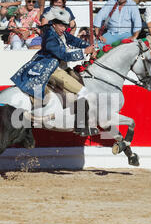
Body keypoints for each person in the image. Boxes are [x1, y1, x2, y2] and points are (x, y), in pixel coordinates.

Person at [10, 7, 97, 136]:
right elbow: (64, 56)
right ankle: (81, 127)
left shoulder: (60, 33)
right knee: (83, 91)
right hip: (50, 69)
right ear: (54, 24)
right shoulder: (50, 37)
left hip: (61, 67)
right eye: (61, 25)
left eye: (65, 26)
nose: (64, 28)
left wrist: (88, 46)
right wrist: (84, 52)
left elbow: (74, 40)